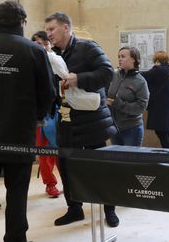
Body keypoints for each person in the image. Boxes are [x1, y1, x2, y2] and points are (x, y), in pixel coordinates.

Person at [0, 1, 56, 242]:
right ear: (22, 22)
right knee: (18, 192)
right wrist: (39, 117)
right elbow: (47, 91)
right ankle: (16, 238)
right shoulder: (34, 51)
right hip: (20, 134)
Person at [44, 12, 119, 227]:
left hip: (93, 121)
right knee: (67, 168)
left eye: (52, 29)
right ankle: (74, 209)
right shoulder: (52, 55)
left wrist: (80, 79)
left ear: (66, 28)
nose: (49, 34)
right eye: (47, 30)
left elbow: (107, 73)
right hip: (67, 122)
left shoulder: (88, 48)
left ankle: (109, 210)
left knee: (101, 169)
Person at [31, 31, 61, 198]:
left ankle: (70, 184)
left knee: (60, 151)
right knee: (44, 152)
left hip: (58, 113)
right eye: (38, 44)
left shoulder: (58, 61)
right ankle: (50, 184)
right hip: (39, 116)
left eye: (45, 43)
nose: (42, 47)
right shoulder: (29, 65)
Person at [107, 46, 149, 147]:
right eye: (119, 56)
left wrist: (117, 103)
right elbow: (105, 91)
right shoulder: (114, 75)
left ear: (133, 59)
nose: (120, 59)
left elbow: (141, 107)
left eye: (123, 56)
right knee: (117, 161)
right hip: (114, 127)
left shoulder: (140, 81)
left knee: (130, 161)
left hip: (132, 129)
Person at [141, 51, 169, 148]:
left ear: (156, 60)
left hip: (159, 106)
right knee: (164, 132)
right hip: (168, 105)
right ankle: (168, 151)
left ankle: (168, 153)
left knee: (161, 132)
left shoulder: (157, 70)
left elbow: (143, 76)